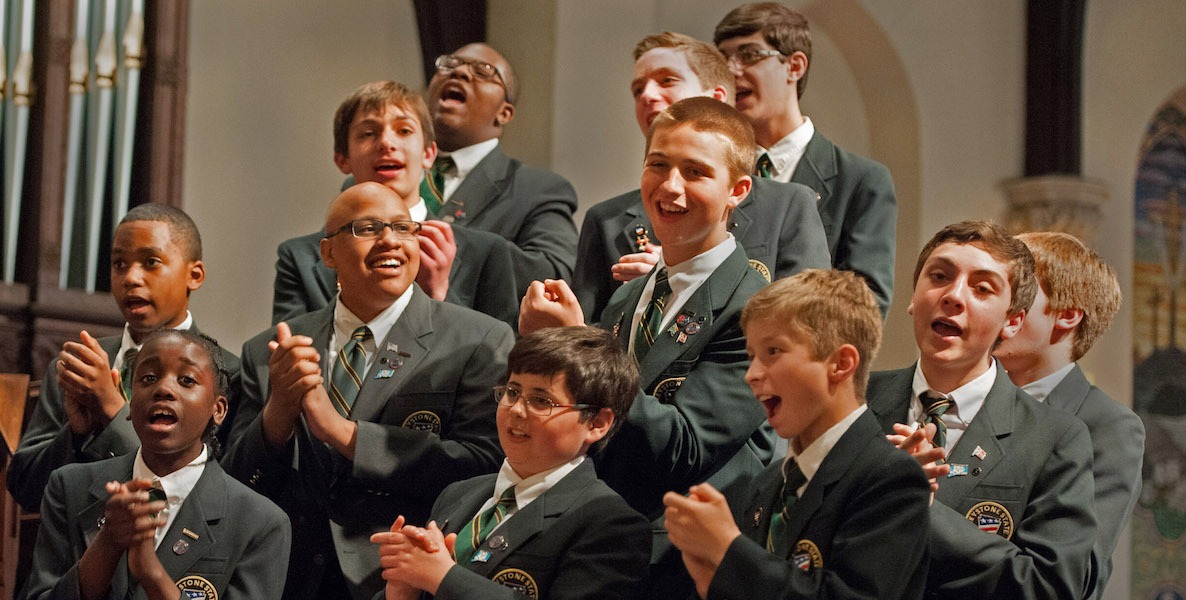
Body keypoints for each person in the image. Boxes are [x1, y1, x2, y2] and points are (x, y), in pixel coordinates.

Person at [519, 97, 773, 599]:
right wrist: (544, 345)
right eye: (657, 165)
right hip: (602, 540)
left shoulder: (756, 309)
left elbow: (684, 446)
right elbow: (594, 424)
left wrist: (580, 348)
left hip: (683, 559)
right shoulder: (629, 294)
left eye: (695, 172)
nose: (669, 186)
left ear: (737, 191)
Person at [224, 182, 514, 600]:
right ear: (327, 254)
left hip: (398, 578)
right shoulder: (271, 347)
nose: (390, 241)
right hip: (282, 577)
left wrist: (344, 434)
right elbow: (238, 484)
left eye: (403, 227)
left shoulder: (478, 339)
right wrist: (278, 413)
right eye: (368, 228)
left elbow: (483, 468)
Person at [664, 269, 931, 600]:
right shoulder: (768, 482)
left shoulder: (890, 478)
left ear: (841, 363)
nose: (751, 375)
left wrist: (728, 551)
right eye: (751, 357)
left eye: (773, 351)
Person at [866, 220, 1097, 599]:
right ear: (912, 297)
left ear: (1012, 322)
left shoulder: (1054, 439)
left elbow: (1048, 587)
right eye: (939, 276)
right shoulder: (851, 403)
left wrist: (921, 509)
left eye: (982, 288)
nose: (954, 296)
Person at [370, 327, 651, 600]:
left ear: (597, 423)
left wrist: (443, 578)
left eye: (541, 400)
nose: (516, 409)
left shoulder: (610, 524)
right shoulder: (458, 493)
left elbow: (443, 579)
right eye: (513, 392)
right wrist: (403, 592)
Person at [573, 32, 831, 322]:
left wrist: (678, 278)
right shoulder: (606, 220)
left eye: (667, 80)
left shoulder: (787, 204)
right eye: (638, 89)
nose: (647, 95)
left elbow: (808, 319)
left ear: (717, 98)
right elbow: (587, 330)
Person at [22, 328, 290, 600]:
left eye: (186, 380)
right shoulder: (69, 487)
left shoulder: (259, 522)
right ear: (129, 401)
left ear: (218, 409)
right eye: (148, 378)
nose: (163, 389)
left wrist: (152, 574)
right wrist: (108, 543)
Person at [8, 204, 242, 513]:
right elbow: (26, 490)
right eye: (119, 263)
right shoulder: (78, 365)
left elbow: (212, 500)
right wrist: (77, 434)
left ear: (194, 275)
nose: (131, 277)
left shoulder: (227, 372)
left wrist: (112, 410)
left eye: (150, 262)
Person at [272, 80, 519, 331]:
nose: (386, 143)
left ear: (429, 153)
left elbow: (498, 359)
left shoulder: (487, 253)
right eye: (368, 133)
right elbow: (286, 352)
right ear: (342, 158)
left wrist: (436, 297)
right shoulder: (300, 257)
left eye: (404, 131)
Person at [714, 3, 897, 316]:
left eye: (749, 55)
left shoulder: (860, 181)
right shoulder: (716, 173)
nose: (732, 70)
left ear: (795, 66)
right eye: (723, 59)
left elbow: (868, 305)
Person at [993, 231, 1144, 600]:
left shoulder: (1108, 426)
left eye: (1015, 291)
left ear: (1066, 315)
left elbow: (1075, 575)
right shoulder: (951, 398)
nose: (993, 307)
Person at [424, 43, 579, 295]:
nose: (459, 72)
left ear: (504, 113)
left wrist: (427, 231)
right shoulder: (377, 178)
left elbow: (553, 274)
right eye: (450, 64)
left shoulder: (538, 189)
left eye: (483, 71)